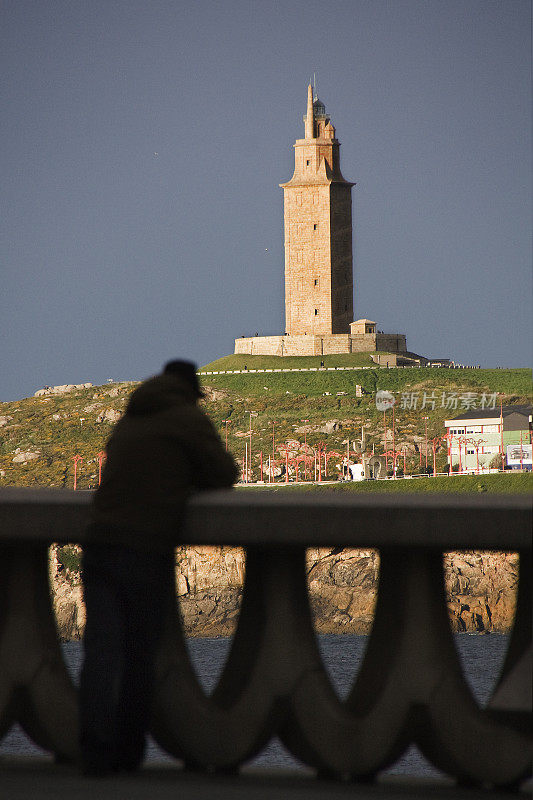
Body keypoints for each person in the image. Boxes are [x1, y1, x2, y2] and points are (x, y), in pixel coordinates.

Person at [79, 360, 238, 776]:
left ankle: (93, 751)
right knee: (137, 657)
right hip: (144, 549)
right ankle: (128, 752)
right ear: (190, 390)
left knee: (100, 654)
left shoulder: (129, 420)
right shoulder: (187, 418)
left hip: (99, 546)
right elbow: (223, 474)